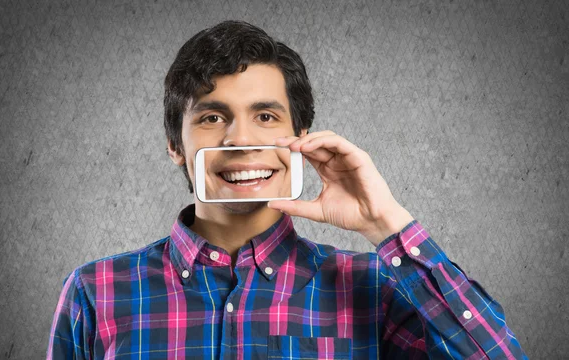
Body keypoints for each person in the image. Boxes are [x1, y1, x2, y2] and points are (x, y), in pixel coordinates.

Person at [47, 20, 526, 359]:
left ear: (301, 139)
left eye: (266, 117)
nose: (241, 141)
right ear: (176, 144)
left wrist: (385, 222)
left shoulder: (374, 290)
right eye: (213, 118)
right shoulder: (95, 293)